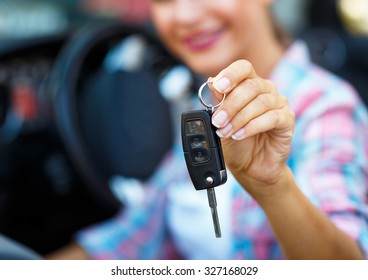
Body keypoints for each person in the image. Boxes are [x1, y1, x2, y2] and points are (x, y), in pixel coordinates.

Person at [47, 0, 368, 260]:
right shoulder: (195, 103)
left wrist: (273, 187)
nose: (185, 15)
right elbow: (135, 236)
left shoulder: (326, 106)